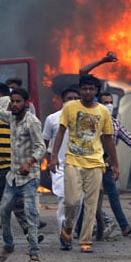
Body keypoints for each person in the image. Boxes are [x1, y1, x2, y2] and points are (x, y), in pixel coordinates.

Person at [48, 74, 118, 253]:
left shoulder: (103, 111)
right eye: (84, 88)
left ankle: (85, 240)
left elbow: (108, 138)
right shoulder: (70, 108)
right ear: (80, 90)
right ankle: (68, 227)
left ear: (96, 91)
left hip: (95, 162)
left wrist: (115, 163)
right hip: (72, 160)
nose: (88, 92)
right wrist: (54, 156)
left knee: (91, 203)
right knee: (71, 202)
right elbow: (61, 132)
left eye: (91, 89)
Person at [0, 82, 46, 262]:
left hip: (29, 177)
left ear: (26, 103)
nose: (14, 104)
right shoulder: (11, 118)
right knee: (4, 211)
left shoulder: (32, 122)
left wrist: (30, 162)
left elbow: (41, 147)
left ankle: (34, 252)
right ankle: (8, 245)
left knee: (30, 213)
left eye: (18, 102)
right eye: (13, 101)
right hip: (13, 177)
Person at [98, 92, 131, 236]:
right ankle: (80, 228)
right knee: (89, 198)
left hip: (107, 165)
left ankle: (124, 226)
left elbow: (128, 138)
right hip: (92, 164)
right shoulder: (94, 120)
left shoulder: (115, 123)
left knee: (113, 196)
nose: (108, 105)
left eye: (110, 102)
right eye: (105, 102)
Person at [42, 86, 80, 233]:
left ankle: (69, 230)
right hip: (60, 166)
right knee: (63, 200)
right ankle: (64, 235)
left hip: (81, 165)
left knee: (77, 203)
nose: (73, 101)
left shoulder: (85, 118)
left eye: (76, 98)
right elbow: (44, 142)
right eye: (70, 98)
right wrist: (47, 161)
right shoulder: (52, 119)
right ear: (62, 101)